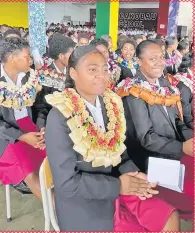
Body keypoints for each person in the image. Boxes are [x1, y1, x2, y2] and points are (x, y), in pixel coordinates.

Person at [45, 45, 179, 231]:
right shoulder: (60, 116)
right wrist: (119, 186)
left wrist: (134, 174)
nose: (102, 75)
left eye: (105, 69)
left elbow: (119, 151)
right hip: (85, 203)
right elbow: (67, 183)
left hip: (118, 184)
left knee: (170, 217)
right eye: (92, 70)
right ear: (73, 73)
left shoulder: (109, 102)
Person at [117, 40, 193, 219]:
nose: (159, 62)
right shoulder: (133, 91)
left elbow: (176, 121)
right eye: (152, 59)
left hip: (175, 154)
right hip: (152, 163)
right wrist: (182, 147)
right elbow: (146, 138)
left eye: (161, 57)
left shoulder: (164, 84)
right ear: (139, 61)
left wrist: (190, 138)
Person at [0, 38, 46, 199]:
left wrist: (41, 127)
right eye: (27, 57)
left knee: (53, 156)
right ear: (12, 58)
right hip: (4, 137)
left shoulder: (29, 78)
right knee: (27, 168)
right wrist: (22, 137)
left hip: (29, 126)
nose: (31, 60)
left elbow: (40, 107)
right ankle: (57, 213)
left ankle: (64, 199)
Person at [33, 34, 76, 130]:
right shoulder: (44, 75)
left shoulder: (72, 72)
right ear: (61, 56)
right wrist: (42, 127)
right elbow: (41, 107)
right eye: (71, 54)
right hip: (52, 124)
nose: (74, 57)